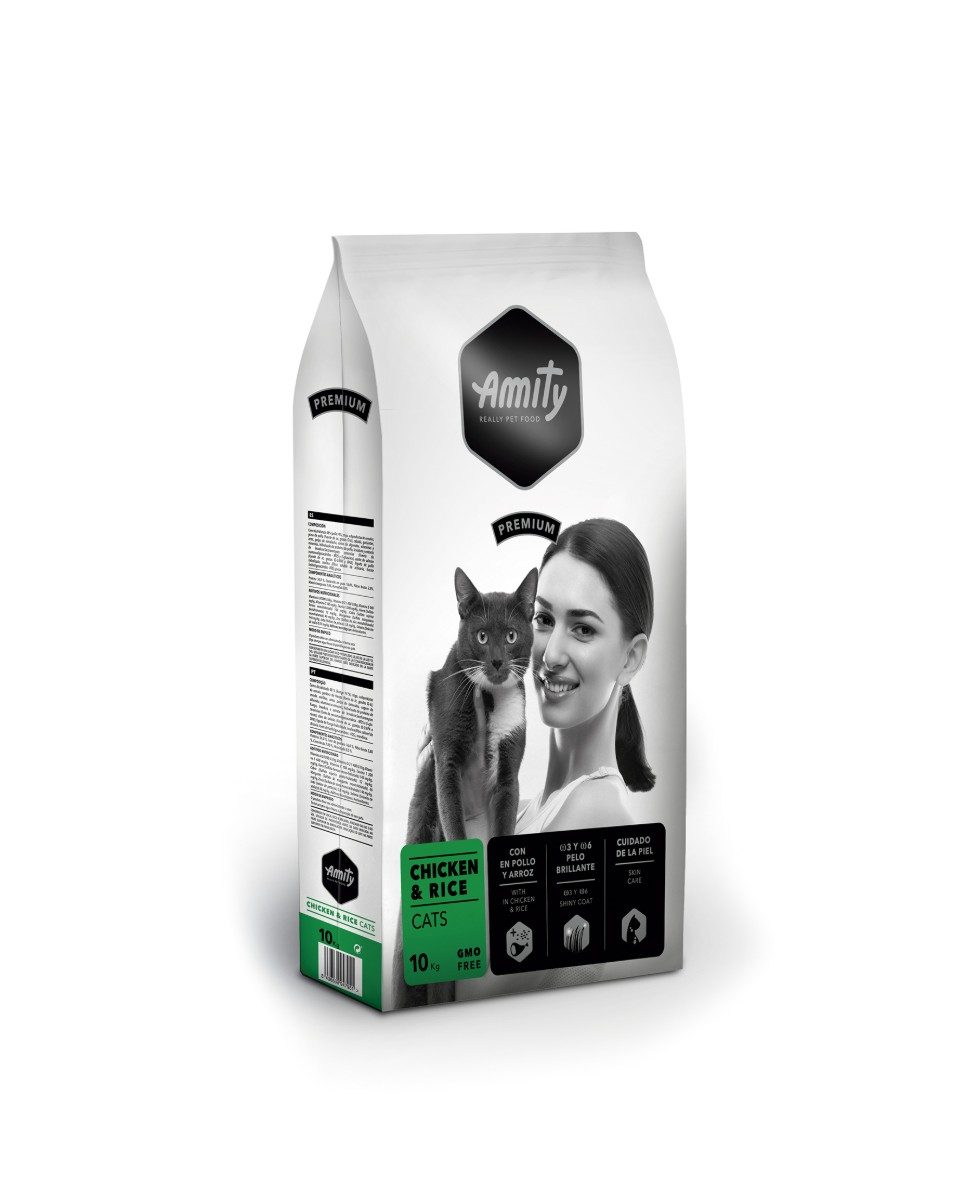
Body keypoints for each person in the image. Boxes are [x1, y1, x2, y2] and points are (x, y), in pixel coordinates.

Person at [516, 517, 655, 835]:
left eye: (583, 629)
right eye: (544, 619)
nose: (550, 656)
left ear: (630, 659)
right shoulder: (524, 811)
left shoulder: (595, 808)